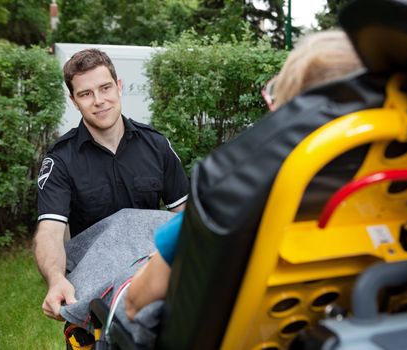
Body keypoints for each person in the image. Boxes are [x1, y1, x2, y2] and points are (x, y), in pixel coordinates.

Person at [124, 29, 363, 320]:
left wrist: (164, 259)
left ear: (292, 111)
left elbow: (136, 304)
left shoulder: (233, 192)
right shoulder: (398, 192)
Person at [33, 48, 189, 322]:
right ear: (74, 100)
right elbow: (50, 233)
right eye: (85, 94)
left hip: (150, 282)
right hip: (93, 293)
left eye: (105, 88)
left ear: (118, 87)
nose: (99, 101)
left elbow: (185, 216)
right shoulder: (60, 160)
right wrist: (56, 279)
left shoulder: (157, 146)